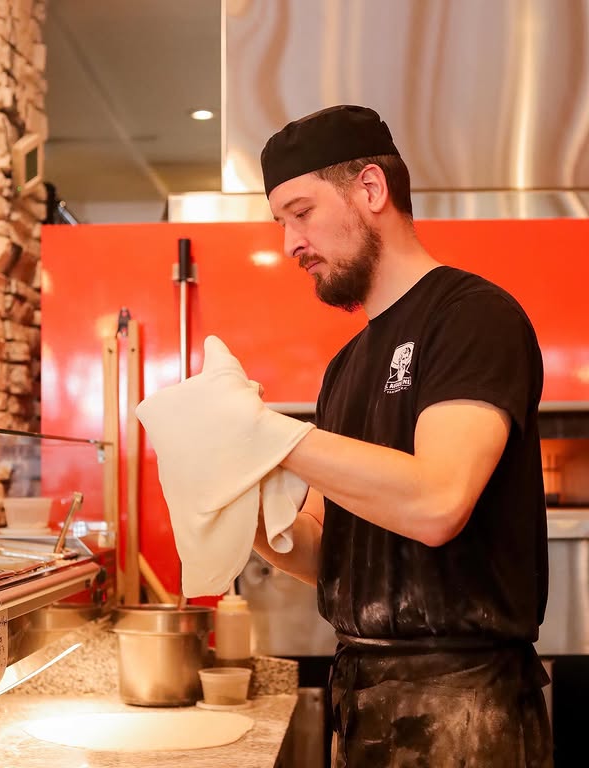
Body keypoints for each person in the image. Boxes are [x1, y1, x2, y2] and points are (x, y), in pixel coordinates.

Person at [252, 105, 553, 767]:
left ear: (369, 189)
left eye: (300, 213)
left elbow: (439, 501)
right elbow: (319, 548)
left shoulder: (473, 317)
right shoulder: (344, 368)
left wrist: (263, 437)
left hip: (468, 711)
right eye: (280, 223)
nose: (289, 244)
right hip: (362, 698)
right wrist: (234, 504)